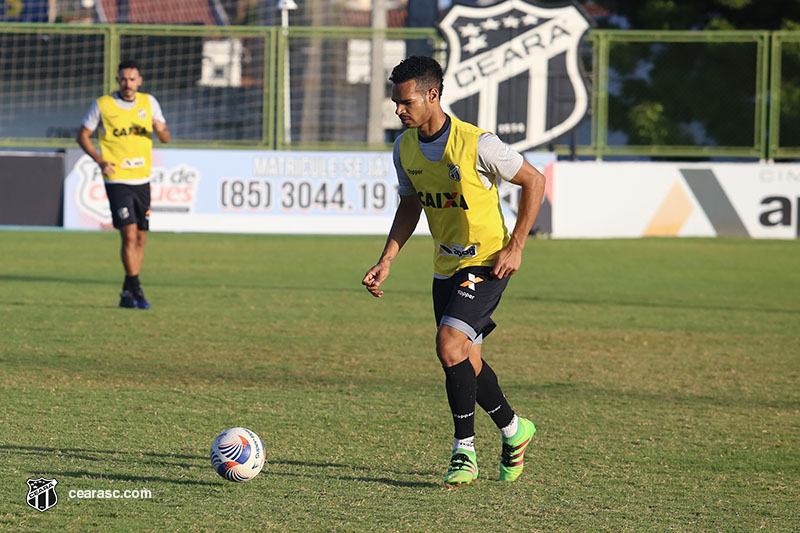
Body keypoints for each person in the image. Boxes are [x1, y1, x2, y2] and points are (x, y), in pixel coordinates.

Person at [362, 56, 546, 487]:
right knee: (466, 360)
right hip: (445, 266)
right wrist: (387, 258)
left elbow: (534, 181)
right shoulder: (403, 148)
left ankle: (464, 450)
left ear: (432, 95)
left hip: (487, 261)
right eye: (395, 103)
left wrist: (517, 246)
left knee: (448, 345)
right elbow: (410, 205)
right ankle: (515, 430)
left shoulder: (478, 143)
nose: (398, 110)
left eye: (405, 102)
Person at [77, 59, 170, 309]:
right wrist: (100, 160)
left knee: (140, 237)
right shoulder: (103, 105)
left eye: (132, 79)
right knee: (128, 235)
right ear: (118, 80)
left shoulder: (149, 103)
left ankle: (127, 293)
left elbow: (166, 137)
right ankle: (136, 287)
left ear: (139, 81)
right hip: (117, 179)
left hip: (143, 179)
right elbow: (82, 134)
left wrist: (160, 129)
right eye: (124, 79)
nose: (128, 84)